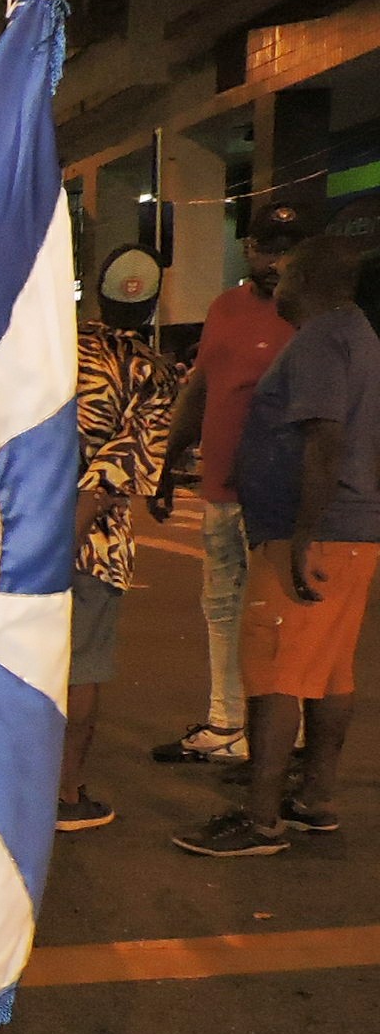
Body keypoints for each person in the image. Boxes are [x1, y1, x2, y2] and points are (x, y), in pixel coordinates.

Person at [174, 235, 380, 858]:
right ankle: (314, 799)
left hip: (313, 532)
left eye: (287, 272)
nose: (276, 280)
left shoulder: (320, 339)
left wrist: (303, 533)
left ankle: (260, 820)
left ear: (313, 280)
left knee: (273, 673)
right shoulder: (358, 335)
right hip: (349, 530)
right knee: (329, 673)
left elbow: (325, 437)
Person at [150, 202, 319, 764]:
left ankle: (281, 740)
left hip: (279, 497)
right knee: (221, 607)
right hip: (221, 489)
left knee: (277, 614)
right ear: (248, 248)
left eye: (289, 249)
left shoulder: (313, 316)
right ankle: (226, 722)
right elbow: (201, 389)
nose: (277, 261)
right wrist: (168, 461)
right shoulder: (224, 308)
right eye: (268, 247)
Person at [57, 299, 177, 831]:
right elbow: (116, 472)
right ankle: (64, 795)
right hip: (89, 547)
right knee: (80, 669)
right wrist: (65, 544)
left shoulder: (50, 343)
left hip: (9, 532)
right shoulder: (150, 370)